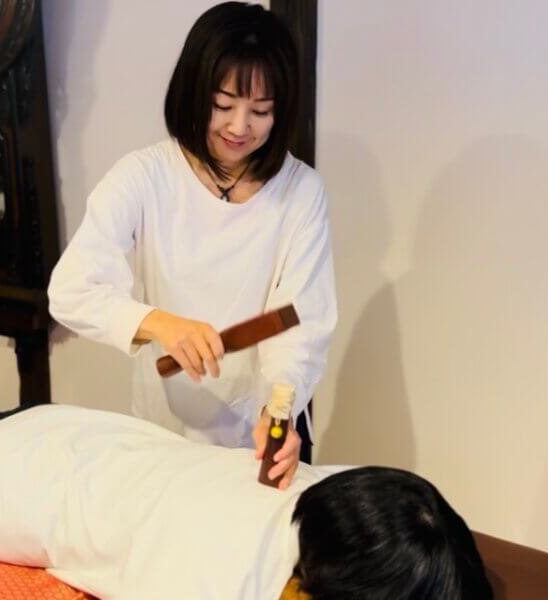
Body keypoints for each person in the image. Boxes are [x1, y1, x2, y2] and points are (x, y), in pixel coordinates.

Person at [0, 368, 493, 599]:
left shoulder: (327, 490)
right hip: (0, 486)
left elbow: (411, 519)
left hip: (72, 432)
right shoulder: (223, 583)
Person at [48, 2, 337, 489]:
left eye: (260, 111)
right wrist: (159, 323)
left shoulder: (301, 192)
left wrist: (280, 407)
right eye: (223, 105)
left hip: (256, 444)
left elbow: (300, 321)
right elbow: (70, 289)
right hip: (162, 437)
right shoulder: (146, 177)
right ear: (194, 92)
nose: (240, 127)